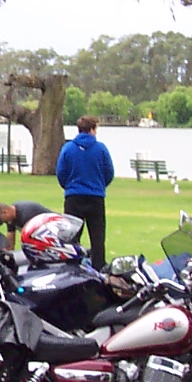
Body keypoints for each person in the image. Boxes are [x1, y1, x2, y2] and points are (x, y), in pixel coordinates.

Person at [56, 114, 115, 268]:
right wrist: (100, 185)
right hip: (95, 196)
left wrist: (68, 186)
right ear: (92, 129)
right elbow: (109, 172)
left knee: (72, 235)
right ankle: (98, 265)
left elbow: (61, 172)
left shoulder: (68, 148)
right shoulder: (100, 149)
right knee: (97, 237)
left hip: (74, 196)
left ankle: (71, 265)